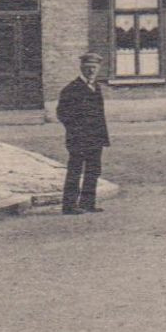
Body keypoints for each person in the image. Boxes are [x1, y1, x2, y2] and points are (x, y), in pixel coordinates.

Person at [57, 52, 109, 215]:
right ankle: (69, 205)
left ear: (98, 68)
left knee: (93, 171)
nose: (91, 71)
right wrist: (77, 131)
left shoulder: (97, 87)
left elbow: (100, 115)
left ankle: (88, 203)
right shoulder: (72, 89)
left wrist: (102, 136)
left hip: (95, 138)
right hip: (78, 138)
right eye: (88, 68)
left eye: (94, 68)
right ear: (81, 68)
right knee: (75, 170)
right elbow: (62, 114)